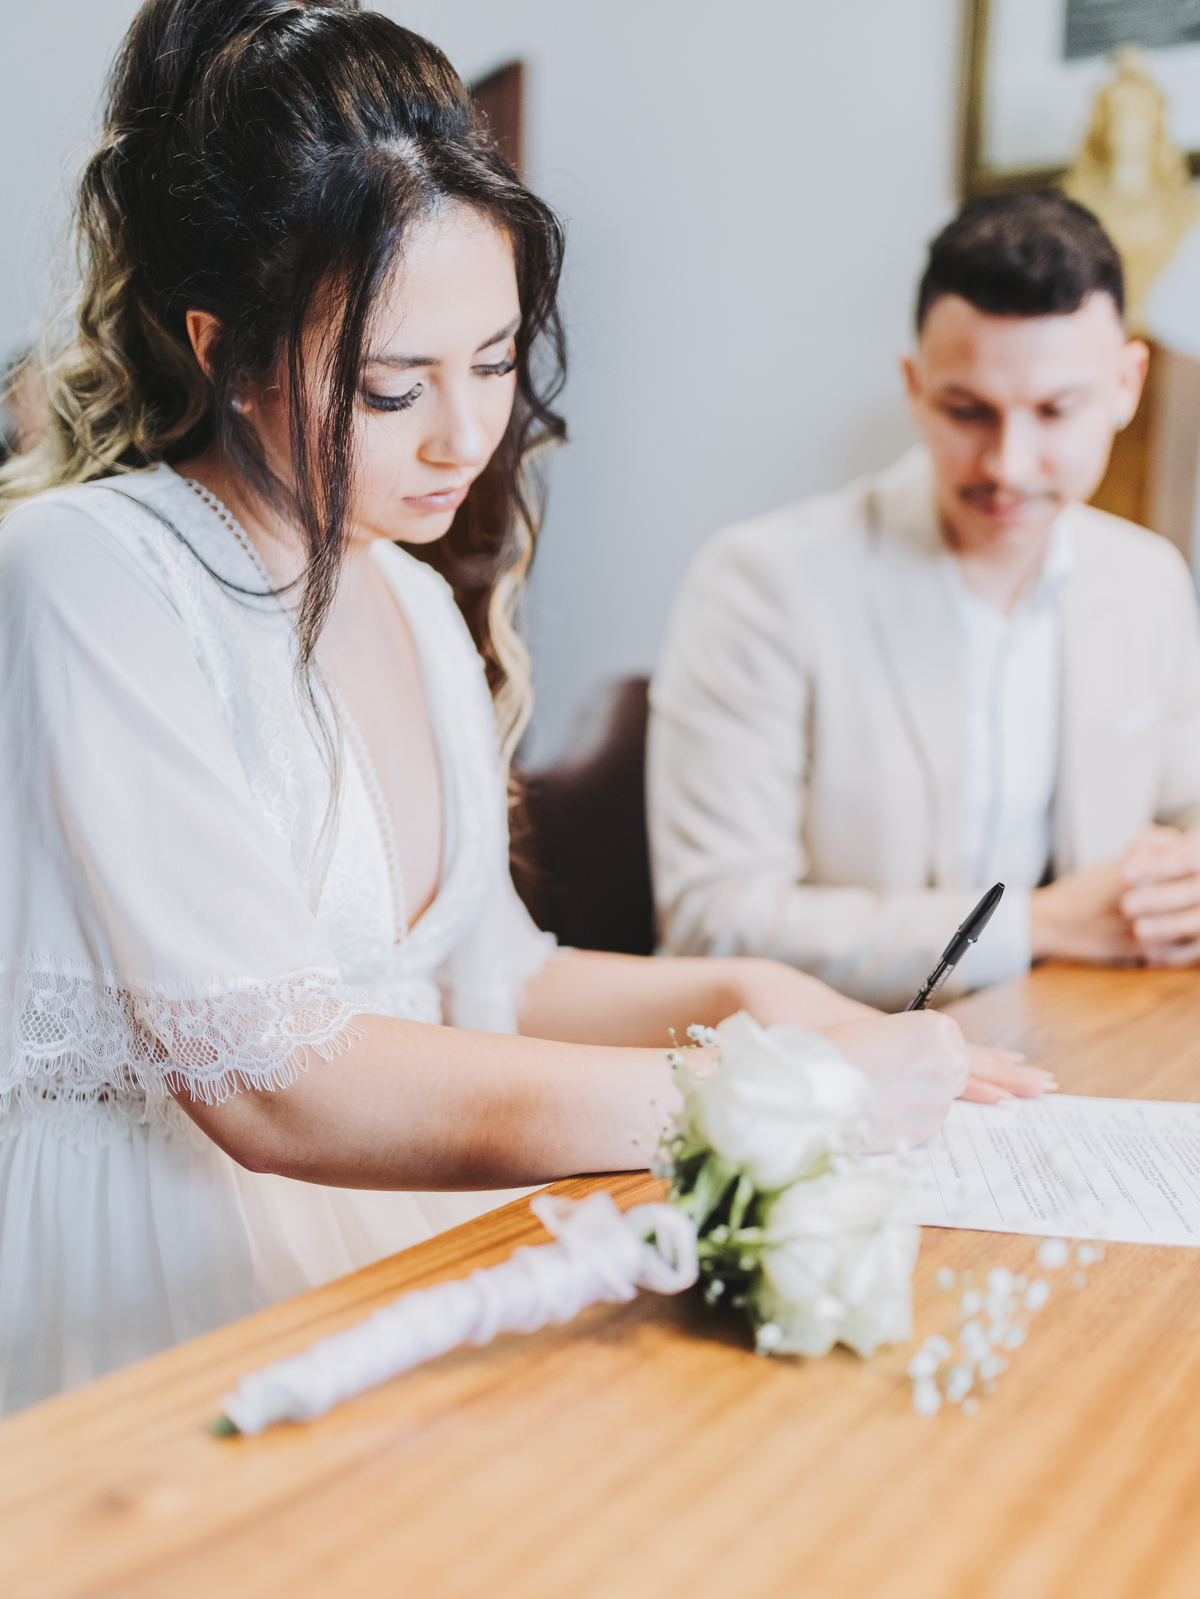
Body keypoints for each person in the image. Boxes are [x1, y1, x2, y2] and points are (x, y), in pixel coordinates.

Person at [0, 0, 1004, 1412]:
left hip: (386, 1240)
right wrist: (761, 1101)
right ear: (222, 348)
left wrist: (747, 995)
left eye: (494, 363)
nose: (470, 440)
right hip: (152, 1285)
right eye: (394, 388)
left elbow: (485, 979)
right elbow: (281, 1083)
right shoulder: (87, 577)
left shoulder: (402, 593)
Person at [649, 192, 1200, 1011]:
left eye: (1055, 411)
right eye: (967, 410)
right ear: (914, 388)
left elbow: (1183, 815)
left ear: (1126, 385)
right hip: (830, 1065)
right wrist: (1036, 924)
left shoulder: (1148, 578)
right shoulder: (761, 582)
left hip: (1076, 1035)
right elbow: (710, 919)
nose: (1009, 464)